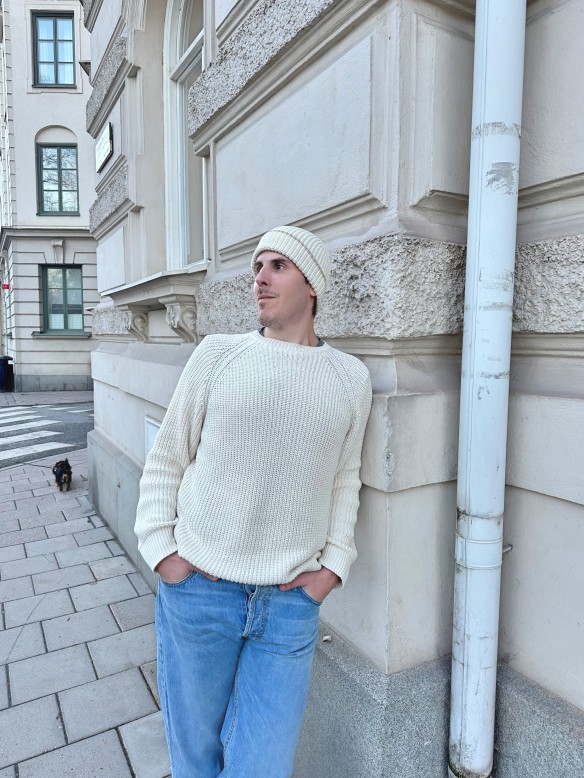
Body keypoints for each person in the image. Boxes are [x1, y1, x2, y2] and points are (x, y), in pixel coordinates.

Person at [134, 225, 372, 778]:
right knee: (195, 757)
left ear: (312, 284)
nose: (260, 279)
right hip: (200, 592)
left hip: (288, 606)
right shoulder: (218, 355)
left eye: (277, 266)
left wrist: (333, 567)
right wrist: (163, 552)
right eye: (257, 268)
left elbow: (345, 479)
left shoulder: (349, 378)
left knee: (263, 765)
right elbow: (169, 456)